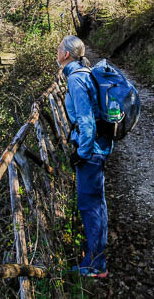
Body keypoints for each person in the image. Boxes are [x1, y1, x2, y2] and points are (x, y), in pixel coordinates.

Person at [58, 35, 112, 278]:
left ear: (67, 54)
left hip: (91, 151)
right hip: (99, 147)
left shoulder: (77, 79)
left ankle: (94, 265)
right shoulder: (83, 72)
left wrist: (82, 152)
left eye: (59, 48)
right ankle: (96, 254)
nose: (57, 51)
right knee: (96, 204)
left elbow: (86, 120)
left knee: (89, 205)